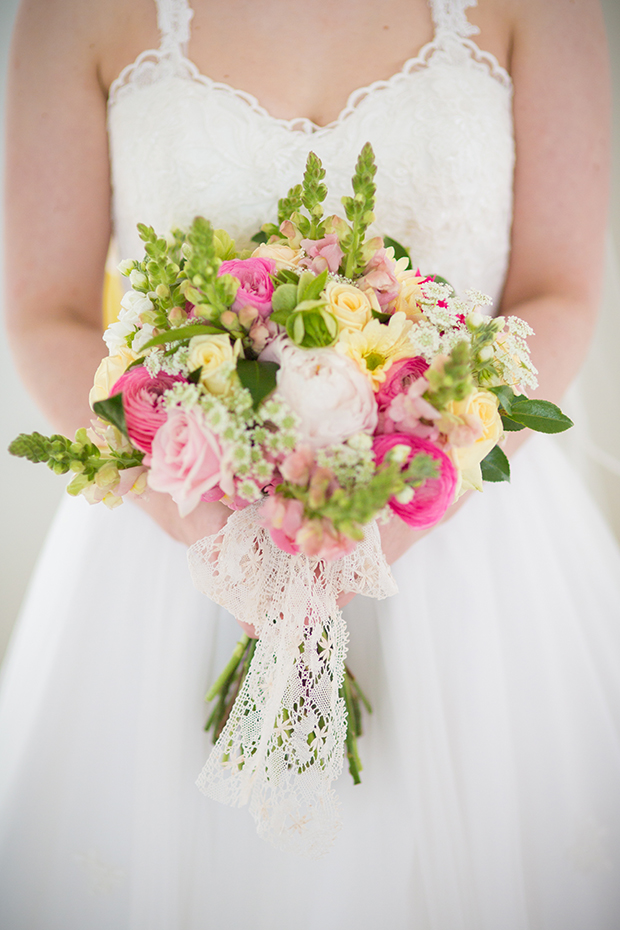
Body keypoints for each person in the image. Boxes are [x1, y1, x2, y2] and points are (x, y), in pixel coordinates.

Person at [2, 0, 620, 927]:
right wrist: (215, 529)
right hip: (178, 542)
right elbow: (45, 311)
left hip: (470, 541)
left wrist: (399, 502)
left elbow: (557, 289)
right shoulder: (70, 15)